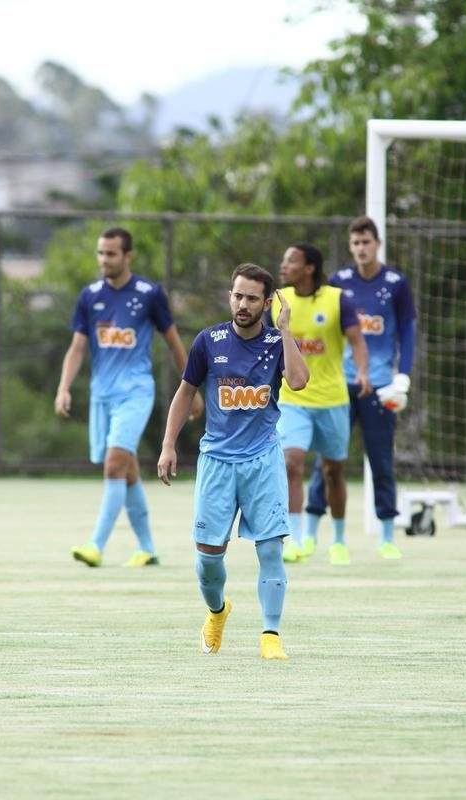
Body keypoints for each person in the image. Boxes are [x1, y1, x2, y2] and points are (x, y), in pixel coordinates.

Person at [157, 263, 309, 660]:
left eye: (252, 298)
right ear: (230, 296)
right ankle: (217, 611)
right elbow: (185, 392)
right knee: (207, 560)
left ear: (266, 303)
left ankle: (270, 635)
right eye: (238, 296)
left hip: (263, 459)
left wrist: (286, 331)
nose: (243, 304)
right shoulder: (209, 341)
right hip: (217, 462)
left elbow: (298, 381)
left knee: (271, 549)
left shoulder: (276, 342)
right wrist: (168, 444)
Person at [55, 226, 203, 568]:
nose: (104, 260)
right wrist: (63, 387)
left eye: (111, 254)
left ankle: (96, 545)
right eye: (100, 253)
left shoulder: (149, 293)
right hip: (102, 396)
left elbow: (174, 343)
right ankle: (147, 548)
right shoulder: (90, 296)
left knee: (114, 465)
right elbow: (77, 348)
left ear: (128, 256)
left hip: (136, 392)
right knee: (128, 470)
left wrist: (192, 389)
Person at [305, 216, 416, 559]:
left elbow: (408, 330)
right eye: (356, 243)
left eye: (366, 241)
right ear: (350, 246)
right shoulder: (339, 282)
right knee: (327, 461)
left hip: (380, 386)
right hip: (340, 386)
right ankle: (310, 533)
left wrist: (403, 376)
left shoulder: (396, 283)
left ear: (377, 243)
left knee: (381, 460)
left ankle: (387, 537)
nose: (361, 248)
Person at [271, 242, 371, 566]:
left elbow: (357, 341)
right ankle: (296, 540)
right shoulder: (277, 302)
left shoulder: (338, 299)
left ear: (309, 267)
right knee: (291, 463)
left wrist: (363, 372)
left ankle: (339, 541)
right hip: (293, 399)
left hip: (332, 400)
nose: (283, 265)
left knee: (333, 472)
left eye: (291, 260)